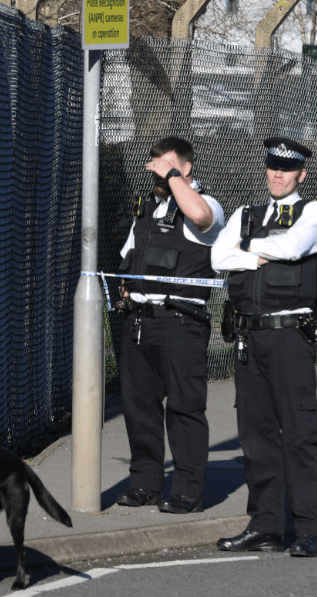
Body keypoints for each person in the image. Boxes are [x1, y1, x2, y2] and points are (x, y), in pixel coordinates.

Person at [211, 137, 317, 557]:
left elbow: (294, 247)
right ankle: (265, 525)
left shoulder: (313, 211)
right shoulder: (246, 214)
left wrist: (247, 249)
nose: (277, 174)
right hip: (248, 337)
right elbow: (217, 258)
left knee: (298, 433)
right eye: (272, 167)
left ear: (301, 173)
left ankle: (309, 527)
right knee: (255, 435)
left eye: (286, 168)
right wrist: (256, 254)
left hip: (288, 337)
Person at [115, 136, 225, 514]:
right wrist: (126, 294)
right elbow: (128, 257)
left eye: (168, 163)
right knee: (138, 407)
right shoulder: (147, 208)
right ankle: (144, 482)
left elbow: (200, 218)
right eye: (156, 163)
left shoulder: (206, 203)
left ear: (186, 167)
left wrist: (174, 176)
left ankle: (186, 490)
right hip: (140, 321)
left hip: (180, 323)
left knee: (184, 408)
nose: (159, 170)